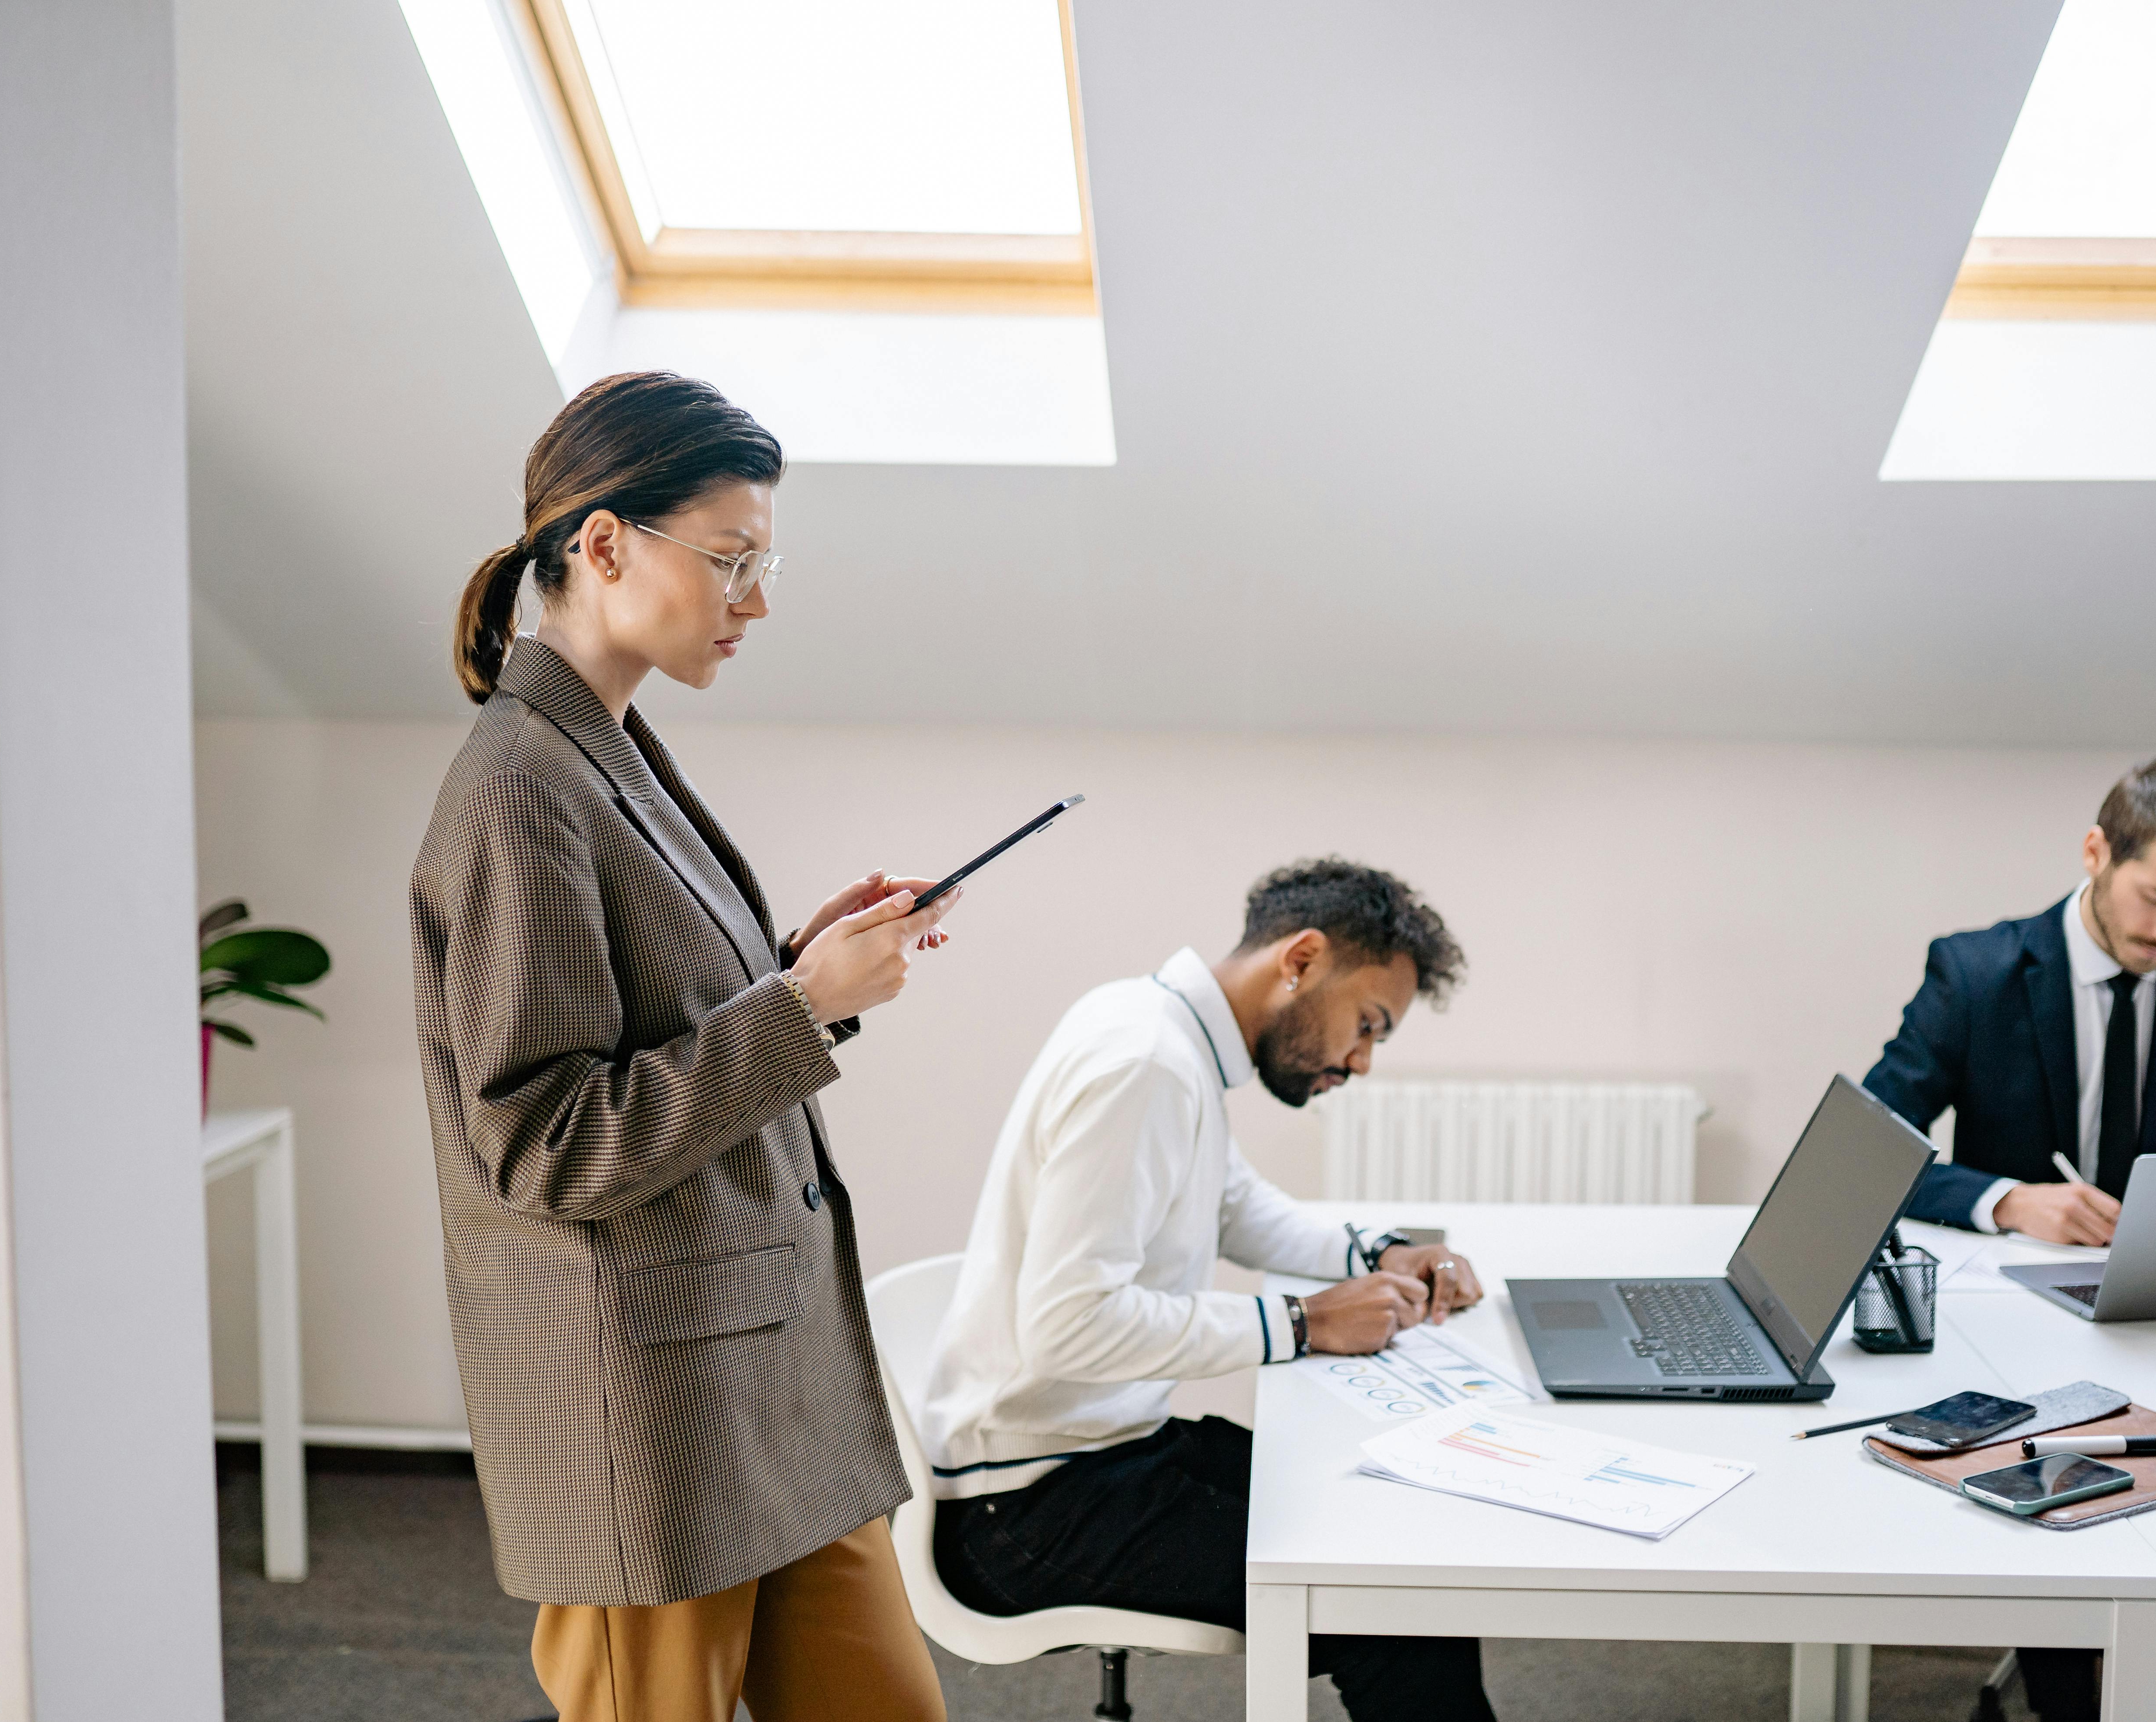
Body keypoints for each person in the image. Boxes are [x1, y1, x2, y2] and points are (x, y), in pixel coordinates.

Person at [410, 372, 955, 1722]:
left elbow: (653, 1022)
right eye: (730, 560)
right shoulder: (518, 788)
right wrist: (801, 1006)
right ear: (602, 545)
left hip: (764, 1382)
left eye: (762, 561)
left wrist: (795, 970)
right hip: (646, 1414)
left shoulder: (604, 749)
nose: (755, 598)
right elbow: (545, 1144)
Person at [920, 858, 1497, 1722]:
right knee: (1393, 1605)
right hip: (1030, 1505)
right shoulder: (1145, 1061)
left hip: (1100, 1449)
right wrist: (1302, 1323)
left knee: (1399, 1546)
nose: (1364, 1061)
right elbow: (1069, 1326)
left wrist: (1378, 1250)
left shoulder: (1164, 1031)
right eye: (1368, 1024)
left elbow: (1237, 1206)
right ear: (1301, 961)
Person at [1861, 756, 2156, 1722]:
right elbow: (1871, 1144)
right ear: (2096, 851)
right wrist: (2005, 1198)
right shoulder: (1978, 969)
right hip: (2023, 1327)